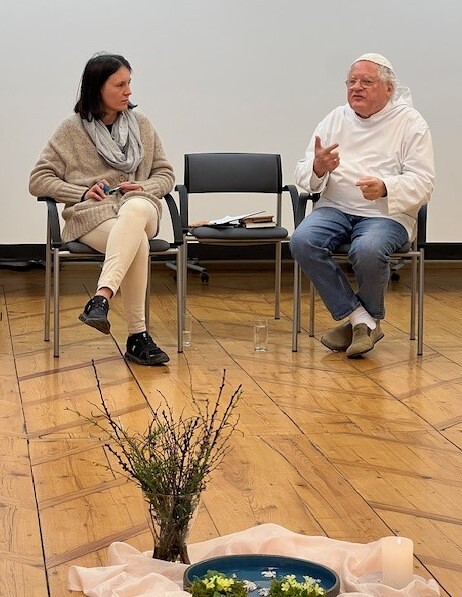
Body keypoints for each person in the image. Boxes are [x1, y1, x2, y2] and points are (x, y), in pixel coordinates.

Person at [30, 53, 175, 365]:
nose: (128, 91)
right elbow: (38, 180)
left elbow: (165, 174)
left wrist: (144, 187)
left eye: (129, 83)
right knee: (137, 242)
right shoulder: (71, 129)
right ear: (98, 88)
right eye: (120, 85)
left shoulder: (142, 125)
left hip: (141, 208)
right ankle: (138, 338)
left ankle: (101, 297)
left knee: (135, 209)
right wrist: (81, 192)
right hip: (95, 216)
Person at [290, 53, 435, 358]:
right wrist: (318, 167)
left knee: (368, 250)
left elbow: (424, 182)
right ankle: (362, 320)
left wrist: (385, 187)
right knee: (302, 240)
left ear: (389, 88)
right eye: (352, 82)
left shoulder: (410, 123)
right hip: (335, 207)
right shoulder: (335, 118)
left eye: (366, 82)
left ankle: (358, 324)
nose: (356, 87)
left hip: (386, 214)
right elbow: (304, 171)